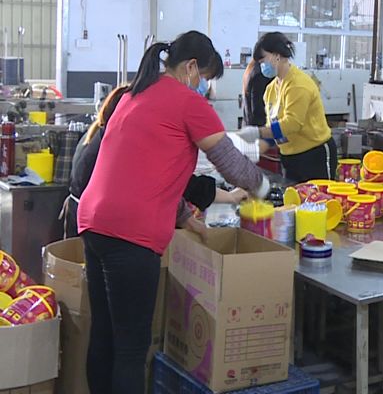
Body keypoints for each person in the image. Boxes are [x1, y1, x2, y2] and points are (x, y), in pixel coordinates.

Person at [77, 31, 269, 394]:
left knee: (104, 333)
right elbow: (229, 162)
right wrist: (262, 188)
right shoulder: (187, 102)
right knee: (131, 349)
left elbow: (148, 173)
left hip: (94, 222)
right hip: (130, 234)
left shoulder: (134, 95)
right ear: (191, 67)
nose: (204, 88)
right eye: (205, 78)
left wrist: (185, 219)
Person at [65, 85, 249, 239]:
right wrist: (230, 197)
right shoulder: (121, 144)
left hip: (86, 220)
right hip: (101, 225)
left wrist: (187, 217)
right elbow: (174, 183)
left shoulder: (98, 134)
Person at [239, 32, 337, 183]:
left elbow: (292, 124)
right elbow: (274, 128)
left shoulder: (298, 85)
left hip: (315, 155)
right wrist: (255, 150)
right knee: (292, 197)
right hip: (289, 158)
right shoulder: (271, 89)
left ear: (277, 56)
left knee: (320, 196)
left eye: (263, 60)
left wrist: (257, 132)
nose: (262, 66)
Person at [242, 58, 271, 127]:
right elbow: (257, 109)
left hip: (251, 124)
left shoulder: (253, 67)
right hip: (259, 127)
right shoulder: (261, 74)